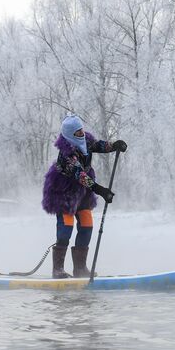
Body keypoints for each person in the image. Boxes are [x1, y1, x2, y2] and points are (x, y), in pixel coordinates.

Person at [42, 114, 127, 278]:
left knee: (87, 224)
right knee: (66, 227)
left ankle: (80, 269)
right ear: (69, 135)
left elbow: (99, 145)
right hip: (64, 192)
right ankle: (57, 269)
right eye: (78, 133)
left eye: (82, 130)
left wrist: (114, 145)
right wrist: (101, 190)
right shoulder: (66, 154)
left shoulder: (86, 141)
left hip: (82, 193)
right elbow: (79, 175)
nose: (82, 134)